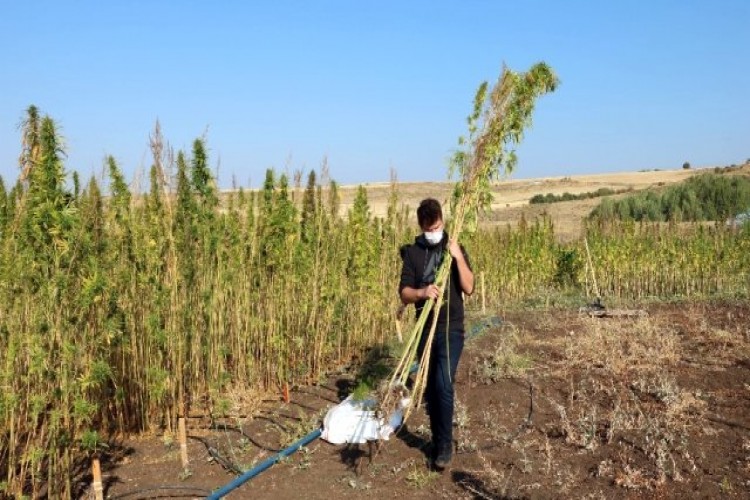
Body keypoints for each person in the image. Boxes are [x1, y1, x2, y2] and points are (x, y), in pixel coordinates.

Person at [398, 198, 474, 469]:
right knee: (431, 388)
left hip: (451, 328)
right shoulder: (413, 253)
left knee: (443, 383)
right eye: (430, 229)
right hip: (425, 331)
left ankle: (444, 446)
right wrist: (422, 292)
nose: (434, 232)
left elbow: (469, 287)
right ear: (421, 226)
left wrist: (458, 257)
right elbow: (404, 293)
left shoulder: (453, 247)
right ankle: (437, 438)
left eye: (438, 227)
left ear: (443, 222)